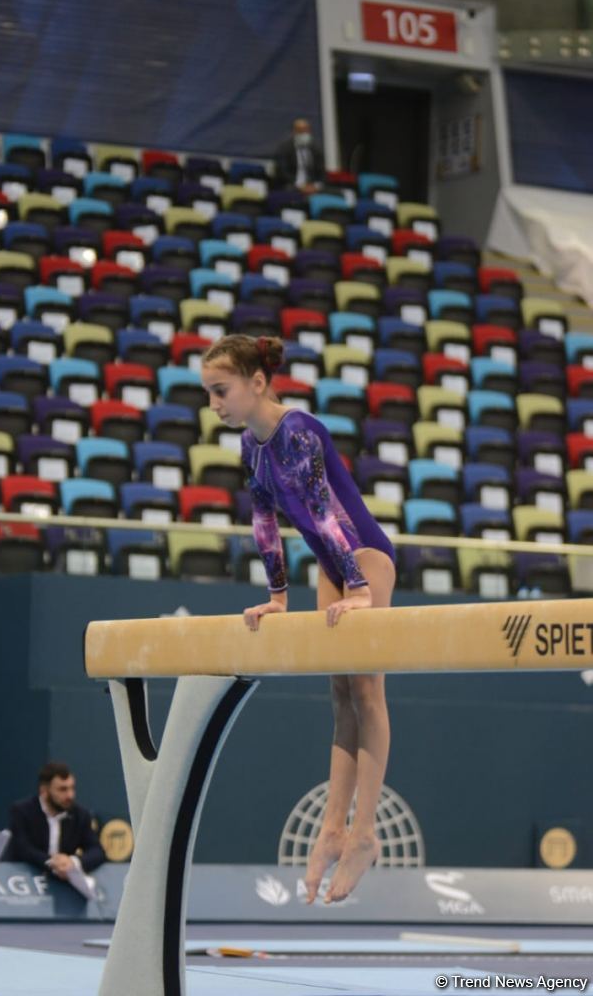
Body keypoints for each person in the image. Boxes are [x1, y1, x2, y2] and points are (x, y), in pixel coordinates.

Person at [201, 334, 396, 905]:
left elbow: (322, 510)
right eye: (209, 393)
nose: (214, 403)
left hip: (364, 554)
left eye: (221, 390)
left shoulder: (299, 430)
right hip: (332, 564)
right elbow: (265, 524)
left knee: (367, 690)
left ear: (257, 383)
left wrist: (359, 586)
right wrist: (278, 597)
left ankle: (365, 833)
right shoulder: (253, 448)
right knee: (339, 695)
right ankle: (332, 828)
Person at [9, 761, 105, 878]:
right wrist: (52, 863)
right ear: (44, 791)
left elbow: (97, 851)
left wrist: (73, 862)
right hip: (27, 881)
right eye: (62, 789)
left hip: (65, 884)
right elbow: (21, 848)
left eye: (72, 788)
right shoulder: (22, 811)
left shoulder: (80, 815)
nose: (70, 795)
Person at [274, 117, 324, 193]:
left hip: (312, 186)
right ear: (294, 132)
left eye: (306, 130)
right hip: (292, 185)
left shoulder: (315, 149)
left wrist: (316, 185)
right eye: (300, 130)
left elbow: (322, 171)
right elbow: (282, 172)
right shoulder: (284, 149)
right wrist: (299, 186)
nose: (304, 133)